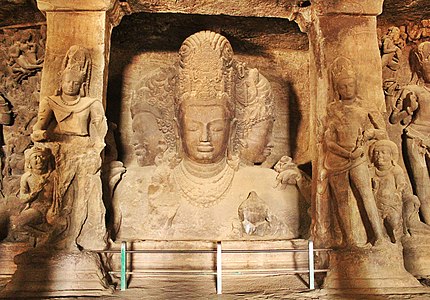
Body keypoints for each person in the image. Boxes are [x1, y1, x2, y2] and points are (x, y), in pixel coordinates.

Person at [324, 57, 388, 247]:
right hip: (338, 158)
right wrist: (345, 153)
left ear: (356, 85)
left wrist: (370, 134)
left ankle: (379, 236)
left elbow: (382, 131)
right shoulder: (333, 109)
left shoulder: (366, 106)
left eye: (350, 85)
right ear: (337, 89)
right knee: (341, 199)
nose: (347, 90)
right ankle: (349, 240)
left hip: (358, 156)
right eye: (342, 87)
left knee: (366, 195)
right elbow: (329, 139)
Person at [389, 41, 430, 225]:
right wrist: (408, 109)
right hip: (416, 137)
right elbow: (395, 119)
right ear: (420, 68)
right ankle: (428, 220)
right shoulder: (412, 90)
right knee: (422, 183)